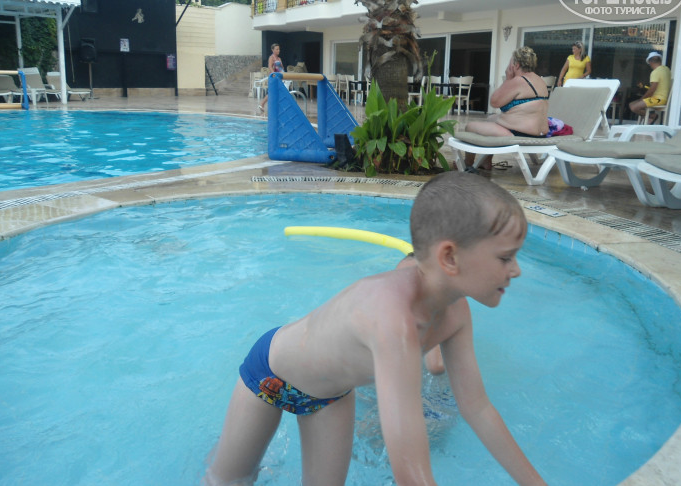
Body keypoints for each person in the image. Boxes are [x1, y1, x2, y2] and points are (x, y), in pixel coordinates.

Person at [205, 171, 548, 486]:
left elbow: (479, 409)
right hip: (269, 373)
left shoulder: (457, 314)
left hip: (331, 398)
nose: (516, 270)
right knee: (227, 482)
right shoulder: (392, 320)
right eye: (505, 257)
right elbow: (410, 474)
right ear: (449, 258)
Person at [462, 47, 550, 170]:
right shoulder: (539, 80)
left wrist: (508, 79)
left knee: (470, 127)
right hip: (539, 134)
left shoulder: (519, 81)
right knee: (491, 118)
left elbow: (494, 102)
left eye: (510, 62)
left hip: (519, 134)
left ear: (516, 65)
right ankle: (486, 161)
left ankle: (468, 162)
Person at [628, 51, 671, 123]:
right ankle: (647, 119)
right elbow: (660, 86)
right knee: (631, 104)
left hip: (658, 99)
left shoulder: (655, 72)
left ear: (650, 62)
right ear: (660, 60)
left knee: (633, 107)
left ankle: (652, 116)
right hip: (662, 98)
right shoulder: (666, 69)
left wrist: (642, 98)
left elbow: (652, 90)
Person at [258, 43, 284, 114]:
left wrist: (283, 75)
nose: (278, 50)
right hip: (273, 77)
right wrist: (274, 74)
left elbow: (281, 68)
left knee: (275, 92)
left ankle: (266, 105)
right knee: (271, 92)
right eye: (277, 49)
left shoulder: (279, 59)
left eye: (279, 49)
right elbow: (270, 66)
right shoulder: (271, 58)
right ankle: (262, 104)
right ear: (273, 50)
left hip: (279, 77)